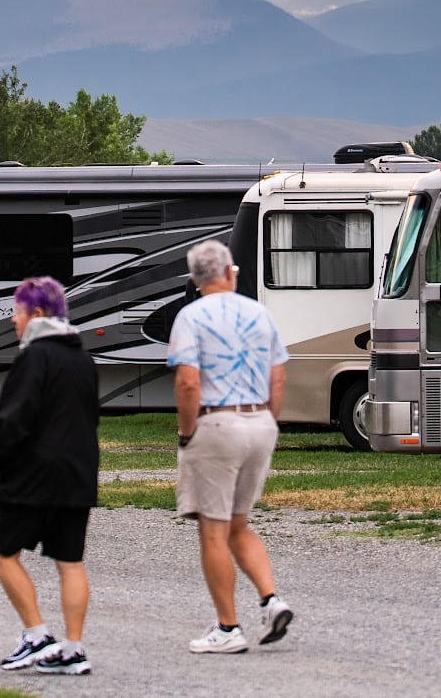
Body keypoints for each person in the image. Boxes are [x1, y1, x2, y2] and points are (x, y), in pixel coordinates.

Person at [167, 239, 294, 655]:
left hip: (217, 421)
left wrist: (187, 432)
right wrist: (269, 420)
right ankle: (271, 599)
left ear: (195, 279)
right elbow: (278, 377)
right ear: (228, 272)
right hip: (260, 421)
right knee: (239, 523)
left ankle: (227, 627)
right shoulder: (260, 313)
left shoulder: (190, 317)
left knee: (213, 528)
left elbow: (188, 382)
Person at [0, 275, 100, 676]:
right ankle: (73, 648)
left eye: (17, 312)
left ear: (36, 314)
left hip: (34, 473)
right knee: (69, 561)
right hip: (78, 472)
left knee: (1, 552)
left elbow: (14, 419)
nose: (13, 320)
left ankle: (36, 635)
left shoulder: (34, 357)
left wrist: (0, 463)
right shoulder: (82, 358)